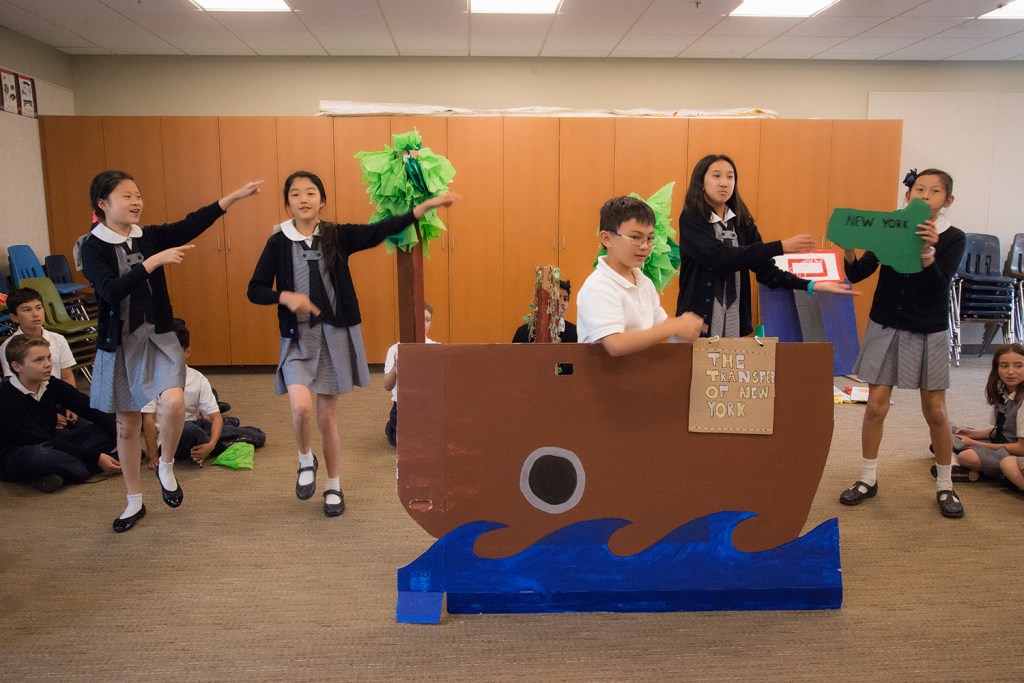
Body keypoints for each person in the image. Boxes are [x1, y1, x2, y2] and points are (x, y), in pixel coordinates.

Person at [247, 170, 458, 517]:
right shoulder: (277, 242)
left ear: (322, 200)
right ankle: (305, 460)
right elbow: (254, 289)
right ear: (287, 204)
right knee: (301, 406)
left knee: (327, 417)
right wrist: (284, 296)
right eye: (296, 194)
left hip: (334, 335)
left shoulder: (336, 236)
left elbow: (380, 231)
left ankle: (333, 484)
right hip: (297, 339)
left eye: (311, 192)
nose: (304, 199)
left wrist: (423, 208)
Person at [81, 169, 262, 532]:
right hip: (120, 344)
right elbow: (110, 291)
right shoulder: (92, 245)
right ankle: (134, 501)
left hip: (158, 336)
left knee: (175, 402)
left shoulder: (147, 236)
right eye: (127, 196)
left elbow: (191, 224)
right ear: (103, 204)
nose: (136, 203)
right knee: (128, 424)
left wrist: (233, 198)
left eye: (138, 195)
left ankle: (165, 466)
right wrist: (152, 263)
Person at [837, 168, 967, 518]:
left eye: (934, 191)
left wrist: (927, 250)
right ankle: (867, 479)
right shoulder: (893, 226)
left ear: (947, 201)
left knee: (936, 411)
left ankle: (945, 485)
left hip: (929, 327)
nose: (924, 196)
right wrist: (849, 248)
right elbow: (858, 272)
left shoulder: (952, 237)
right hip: (887, 322)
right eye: (918, 189)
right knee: (876, 405)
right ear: (908, 194)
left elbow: (938, 287)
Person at [676, 154, 856, 337]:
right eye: (716, 176)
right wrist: (779, 247)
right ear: (701, 182)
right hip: (695, 324)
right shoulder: (691, 218)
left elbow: (766, 271)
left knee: (726, 364)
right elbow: (719, 258)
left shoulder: (742, 221)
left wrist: (812, 285)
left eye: (730, 177)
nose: (724, 183)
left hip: (733, 323)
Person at [577, 196, 704, 355]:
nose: (644, 246)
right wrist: (673, 326)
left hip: (638, 374)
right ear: (607, 239)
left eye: (649, 238)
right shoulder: (598, 287)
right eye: (636, 237)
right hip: (604, 378)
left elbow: (660, 324)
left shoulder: (644, 282)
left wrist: (684, 325)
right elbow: (615, 344)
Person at [0, 336, 120, 492]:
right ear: (17, 367)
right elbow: (41, 439)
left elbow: (92, 409)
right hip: (20, 453)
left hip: (54, 442)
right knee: (40, 454)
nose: (48, 364)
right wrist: (95, 458)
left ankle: (55, 474)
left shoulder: (51, 384)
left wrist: (123, 440)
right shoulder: (6, 398)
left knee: (116, 423)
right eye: (39, 360)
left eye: (49, 358)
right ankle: (87, 468)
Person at [142, 318, 266, 468]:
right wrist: (154, 456)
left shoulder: (198, 379)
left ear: (187, 352)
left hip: (198, 427)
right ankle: (217, 439)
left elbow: (216, 417)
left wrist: (211, 446)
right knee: (188, 429)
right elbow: (148, 419)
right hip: (171, 438)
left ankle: (212, 443)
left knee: (258, 435)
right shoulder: (151, 379)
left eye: (174, 353)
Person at [941, 344, 1024, 486]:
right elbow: (1000, 431)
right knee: (947, 432)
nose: (1011, 371)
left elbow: (1021, 448)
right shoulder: (1002, 392)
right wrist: (973, 434)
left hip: (1016, 451)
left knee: (967, 456)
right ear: (996, 369)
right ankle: (960, 461)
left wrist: (974, 443)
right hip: (1003, 442)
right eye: (1004, 366)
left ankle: (960, 464)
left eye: (1018, 366)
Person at [383, 303, 438, 448]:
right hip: (403, 407)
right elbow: (387, 386)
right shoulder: (395, 349)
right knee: (404, 443)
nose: (424, 324)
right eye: (420, 320)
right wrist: (396, 366)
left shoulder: (436, 348)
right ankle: (392, 427)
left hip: (428, 406)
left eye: (427, 320)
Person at [1, 287, 78, 384]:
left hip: (57, 395)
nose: (35, 314)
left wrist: (69, 398)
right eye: (27, 310)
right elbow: (12, 383)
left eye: (39, 308)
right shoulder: (8, 346)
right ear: (14, 317)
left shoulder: (58, 339)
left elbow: (67, 376)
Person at [512, 279, 578, 343]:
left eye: (565, 299)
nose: (563, 303)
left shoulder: (575, 332)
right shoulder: (524, 332)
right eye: (558, 297)